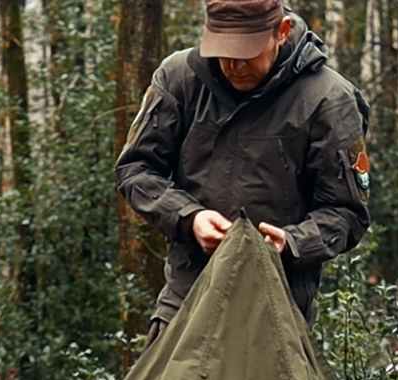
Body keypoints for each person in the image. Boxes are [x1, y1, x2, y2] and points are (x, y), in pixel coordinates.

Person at [116, 0, 370, 338]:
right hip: (185, 303)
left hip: (277, 316)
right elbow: (136, 168)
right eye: (223, 50)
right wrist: (189, 218)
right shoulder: (180, 78)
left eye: (245, 52)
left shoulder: (329, 99)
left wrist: (291, 243)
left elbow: (347, 212)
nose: (233, 65)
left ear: (281, 31)